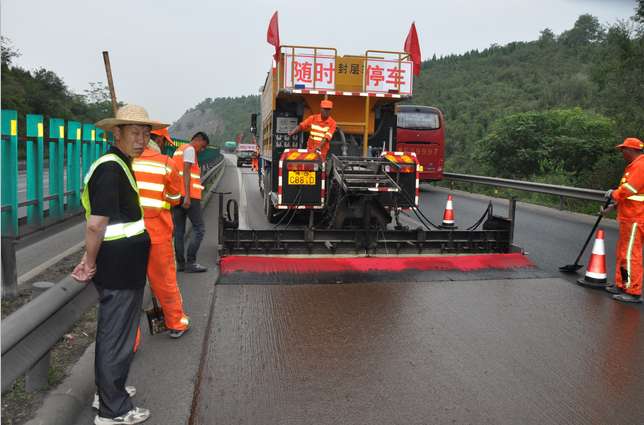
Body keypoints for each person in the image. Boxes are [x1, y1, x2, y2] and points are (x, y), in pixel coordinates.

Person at [72, 104, 167, 424]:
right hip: (119, 268)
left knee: (117, 333)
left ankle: (110, 391)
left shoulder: (121, 164)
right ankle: (113, 410)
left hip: (123, 265)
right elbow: (96, 224)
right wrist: (88, 261)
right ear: (117, 133)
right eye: (134, 133)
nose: (141, 140)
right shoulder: (111, 169)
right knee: (116, 337)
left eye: (145, 134)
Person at [133, 127, 191, 338]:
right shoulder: (165, 163)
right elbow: (175, 198)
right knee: (165, 281)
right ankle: (176, 323)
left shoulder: (125, 161)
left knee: (129, 289)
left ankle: (129, 341)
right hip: (157, 232)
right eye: (164, 142)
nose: (165, 145)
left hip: (128, 234)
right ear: (156, 140)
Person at [602, 137, 644, 304]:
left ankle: (633, 291)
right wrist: (614, 206)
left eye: (623, 149)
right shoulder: (634, 165)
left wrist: (613, 194)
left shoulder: (641, 166)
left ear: (631, 150)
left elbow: (629, 189)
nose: (622, 153)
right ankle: (622, 285)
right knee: (623, 253)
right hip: (629, 216)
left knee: (631, 255)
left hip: (636, 217)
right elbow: (630, 195)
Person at [172, 132, 209, 273]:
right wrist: (187, 196)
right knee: (199, 228)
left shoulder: (179, 150)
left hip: (177, 195)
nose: (202, 150)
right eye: (203, 146)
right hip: (189, 197)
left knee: (179, 231)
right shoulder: (190, 150)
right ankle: (191, 262)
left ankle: (180, 263)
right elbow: (186, 171)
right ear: (198, 140)